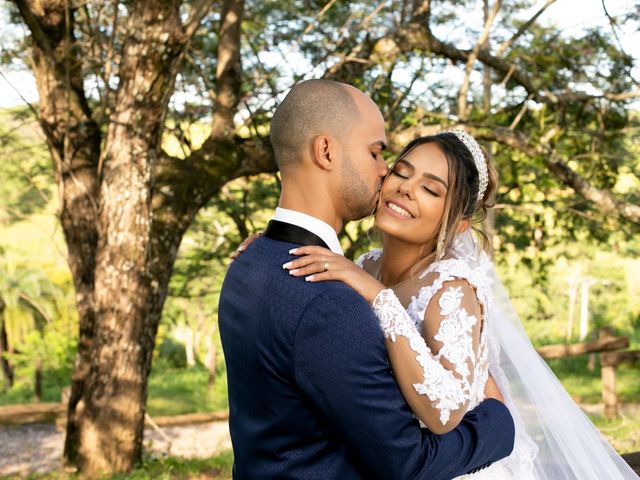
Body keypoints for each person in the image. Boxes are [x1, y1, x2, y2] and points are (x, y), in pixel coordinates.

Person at [281, 131, 639, 479]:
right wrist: (276, 247)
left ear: (458, 223)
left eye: (430, 189)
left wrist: (379, 298)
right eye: (402, 172)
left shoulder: (451, 289)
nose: (405, 188)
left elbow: (444, 412)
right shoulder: (364, 265)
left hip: (451, 469)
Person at [218, 79, 515, 479]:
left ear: (460, 221)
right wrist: (498, 425)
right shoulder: (336, 291)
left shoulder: (250, 264)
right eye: (379, 154)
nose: (386, 174)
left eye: (430, 188)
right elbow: (407, 461)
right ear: (325, 151)